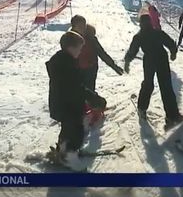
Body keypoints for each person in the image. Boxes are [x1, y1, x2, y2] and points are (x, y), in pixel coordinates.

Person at [45, 31, 107, 171]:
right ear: (71, 48)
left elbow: (75, 87)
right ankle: (69, 158)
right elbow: (77, 88)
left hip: (63, 105)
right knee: (76, 132)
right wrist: (94, 99)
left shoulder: (62, 61)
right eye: (79, 49)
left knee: (67, 130)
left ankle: (62, 150)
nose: (80, 52)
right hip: (69, 106)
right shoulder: (67, 65)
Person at [124, 15, 183, 129]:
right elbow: (170, 43)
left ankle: (143, 109)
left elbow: (132, 51)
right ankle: (171, 115)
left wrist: (127, 61)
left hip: (151, 60)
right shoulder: (155, 33)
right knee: (164, 86)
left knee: (150, 84)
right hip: (159, 58)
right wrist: (173, 52)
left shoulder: (140, 36)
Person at [78, 23, 124, 92]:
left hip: (78, 68)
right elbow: (102, 54)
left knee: (79, 89)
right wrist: (113, 66)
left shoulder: (76, 39)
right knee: (90, 89)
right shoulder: (92, 40)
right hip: (91, 68)